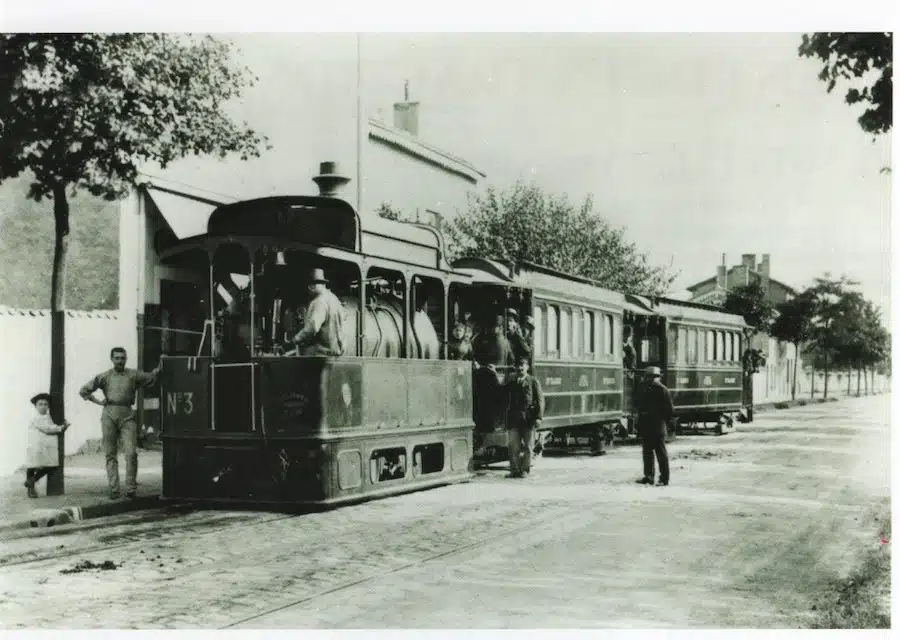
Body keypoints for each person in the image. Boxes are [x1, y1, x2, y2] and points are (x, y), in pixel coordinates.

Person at [80, 347, 160, 500]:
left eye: (123, 358)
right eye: (117, 358)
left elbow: (151, 377)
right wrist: (97, 401)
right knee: (110, 454)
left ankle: (131, 487)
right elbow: (84, 390)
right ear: (112, 359)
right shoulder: (104, 376)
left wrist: (160, 366)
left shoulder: (133, 375)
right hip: (109, 414)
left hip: (127, 415)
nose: (120, 361)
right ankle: (114, 488)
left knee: (131, 453)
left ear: (126, 359)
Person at [24, 393, 70, 498]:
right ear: (36, 406)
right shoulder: (36, 417)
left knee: (51, 466)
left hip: (46, 446)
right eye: (40, 404)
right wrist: (61, 427)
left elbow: (52, 426)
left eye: (45, 404)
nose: (43, 406)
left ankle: (32, 480)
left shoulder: (48, 416)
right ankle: (31, 490)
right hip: (36, 445)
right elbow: (47, 428)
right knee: (32, 466)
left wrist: (61, 425)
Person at [506, 356, 544, 478]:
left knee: (528, 446)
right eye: (518, 366)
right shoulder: (512, 383)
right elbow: (503, 394)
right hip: (514, 420)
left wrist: (539, 417)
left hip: (528, 420)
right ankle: (514, 470)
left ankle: (525, 470)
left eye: (522, 365)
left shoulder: (533, 381)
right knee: (513, 446)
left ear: (527, 367)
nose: (520, 368)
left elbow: (540, 400)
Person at [292, 268, 345, 356]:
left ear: (311, 287)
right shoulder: (334, 299)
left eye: (308, 287)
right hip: (334, 352)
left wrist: (295, 340)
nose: (308, 291)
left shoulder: (319, 301)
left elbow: (312, 327)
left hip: (320, 354)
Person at [635, 365, 673, 487]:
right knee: (647, 452)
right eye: (649, 377)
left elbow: (669, 411)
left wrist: (664, 423)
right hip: (649, 425)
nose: (650, 379)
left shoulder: (662, 390)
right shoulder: (646, 388)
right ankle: (649, 476)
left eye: (652, 377)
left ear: (658, 378)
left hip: (657, 426)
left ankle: (663, 479)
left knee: (660, 453)